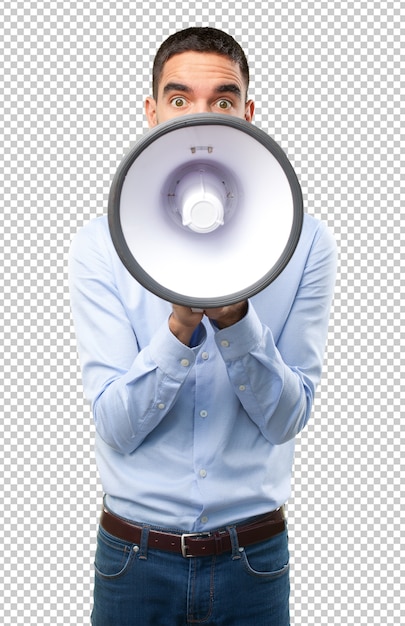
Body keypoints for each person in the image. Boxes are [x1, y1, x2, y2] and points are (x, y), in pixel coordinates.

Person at [69, 27, 337, 626]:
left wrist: (237, 320)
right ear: (152, 112)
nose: (200, 116)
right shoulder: (97, 247)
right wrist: (180, 324)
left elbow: (289, 417)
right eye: (179, 98)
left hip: (253, 561)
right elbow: (115, 425)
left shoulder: (308, 243)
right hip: (134, 560)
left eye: (222, 100)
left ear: (247, 113)